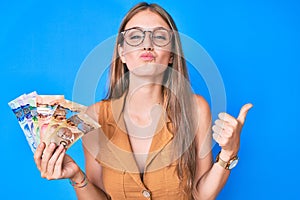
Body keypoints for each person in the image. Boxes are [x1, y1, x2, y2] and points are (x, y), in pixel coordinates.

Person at [34, 2, 252, 199]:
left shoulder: (196, 108)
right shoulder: (94, 116)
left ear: (172, 53)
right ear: (122, 51)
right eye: (136, 36)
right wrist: (77, 177)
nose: (147, 44)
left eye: (159, 37)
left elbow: (201, 195)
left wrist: (229, 152)